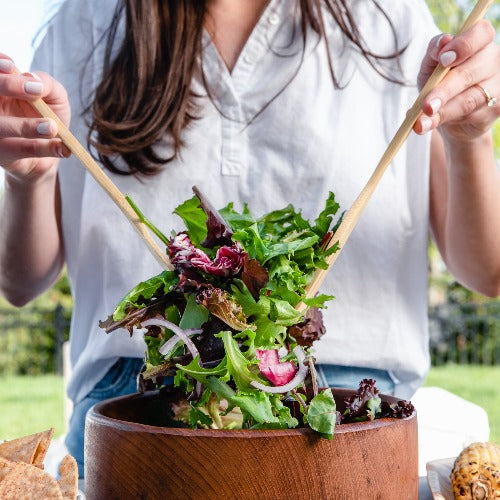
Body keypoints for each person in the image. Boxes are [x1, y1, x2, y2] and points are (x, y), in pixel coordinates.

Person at [0, 0, 498, 478]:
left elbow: (487, 269)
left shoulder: (394, 19)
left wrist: (469, 136)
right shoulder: (82, 24)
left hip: (349, 422)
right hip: (132, 416)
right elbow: (20, 282)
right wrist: (30, 178)